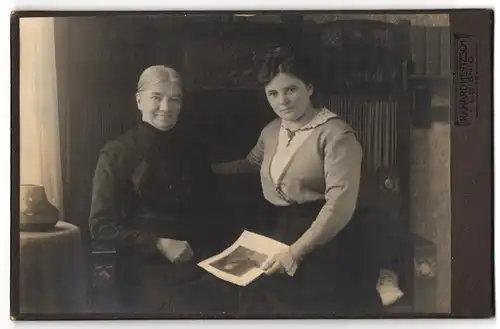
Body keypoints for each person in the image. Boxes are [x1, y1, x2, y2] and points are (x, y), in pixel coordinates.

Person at [165, 48, 384, 317]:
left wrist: (296, 253)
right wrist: (195, 169)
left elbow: (340, 206)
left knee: (273, 300)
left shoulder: (337, 135)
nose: (283, 101)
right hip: (277, 230)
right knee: (212, 291)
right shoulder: (271, 131)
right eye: (273, 94)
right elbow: (248, 165)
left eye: (291, 90)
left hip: (323, 239)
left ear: (310, 87)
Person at [88, 65, 235, 313]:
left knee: (241, 297)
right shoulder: (116, 154)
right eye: (157, 98)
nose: (166, 108)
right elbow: (99, 225)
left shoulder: (193, 147)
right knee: (185, 306)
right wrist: (158, 243)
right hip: (145, 264)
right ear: (139, 100)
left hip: (199, 254)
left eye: (174, 100)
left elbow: (214, 209)